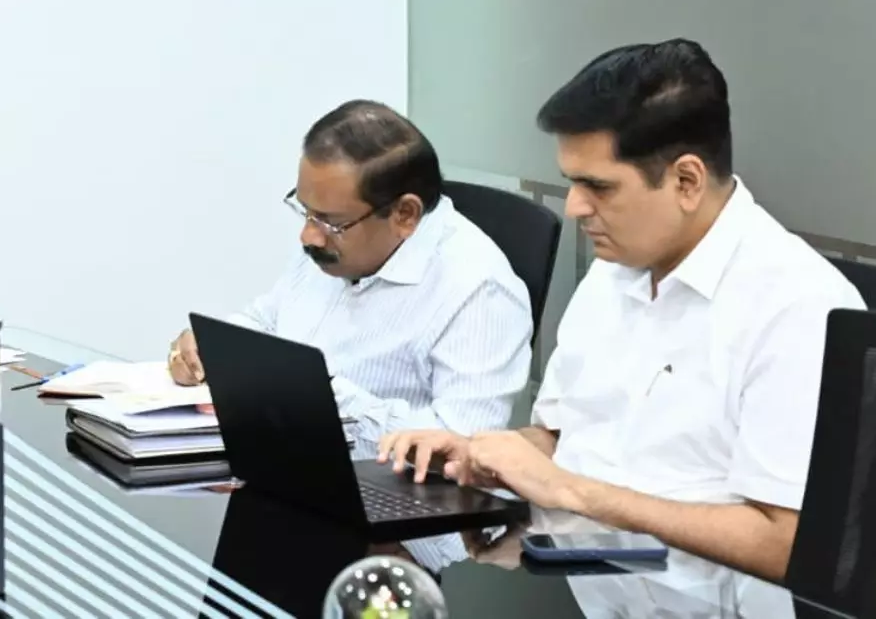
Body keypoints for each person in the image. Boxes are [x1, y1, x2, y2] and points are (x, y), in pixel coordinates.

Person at [377, 39, 865, 582]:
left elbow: (786, 544)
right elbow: (563, 438)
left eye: (598, 187)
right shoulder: (614, 271)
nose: (574, 207)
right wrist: (482, 457)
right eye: (572, 182)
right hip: (594, 577)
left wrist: (573, 492)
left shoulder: (797, 306)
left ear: (686, 181)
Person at [167, 100, 534, 450]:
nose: (309, 235)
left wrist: (319, 395)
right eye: (306, 212)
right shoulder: (333, 243)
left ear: (405, 215)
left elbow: (462, 448)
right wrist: (212, 348)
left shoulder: (478, 291)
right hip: (289, 458)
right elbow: (267, 320)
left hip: (381, 487)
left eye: (330, 222)